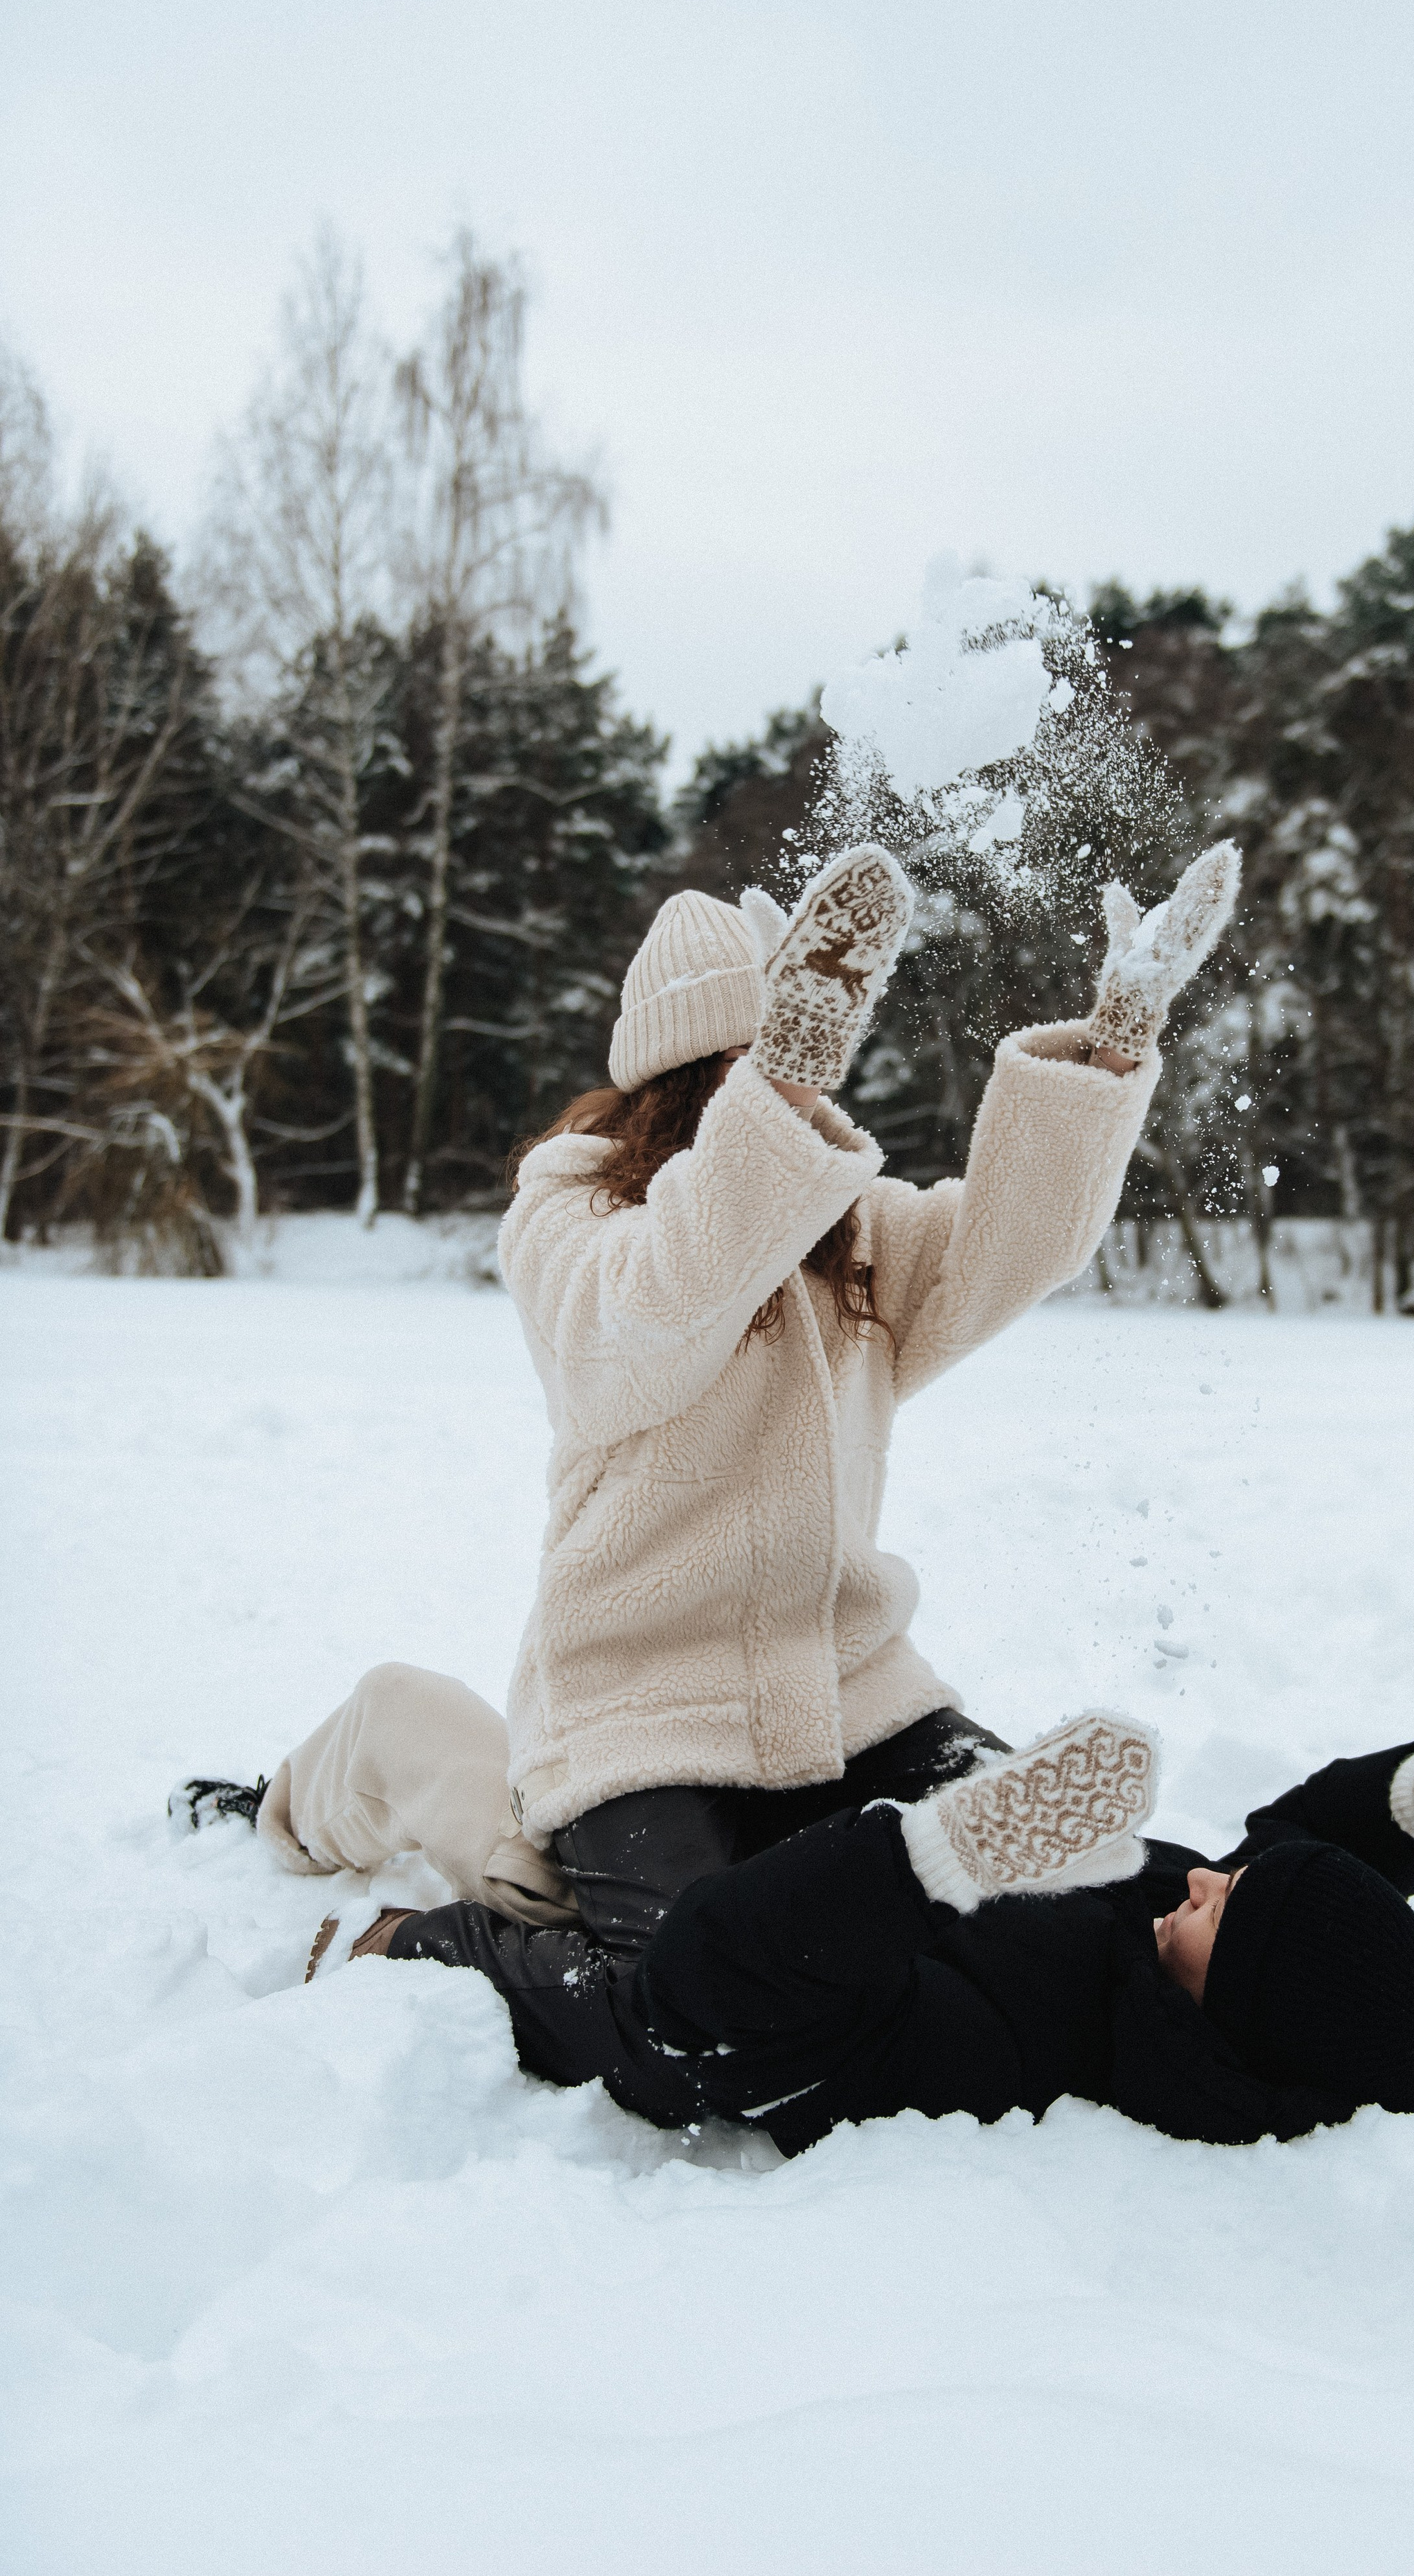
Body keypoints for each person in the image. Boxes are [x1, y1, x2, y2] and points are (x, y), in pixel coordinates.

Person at [177, 834, 1244, 1960]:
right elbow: (657, 1316)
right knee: (688, 1965)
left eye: (794, 1052)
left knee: (1056, 1883)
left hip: (850, 1694)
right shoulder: (570, 1220)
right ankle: (400, 1902)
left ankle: (1243, 1920)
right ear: (676, 1087)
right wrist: (781, 1081)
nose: (781, 1088)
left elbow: (1006, 1244)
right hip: (640, 1715)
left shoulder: (855, 1239)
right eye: (747, 1069)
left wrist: (1112, 1052)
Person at [306, 1692, 1414, 2152]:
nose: (1205, 1879)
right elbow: (1270, 1876)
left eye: (1230, 1910)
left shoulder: (1008, 2057)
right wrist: (1413, 1812)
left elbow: (714, 2012)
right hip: (804, 1832)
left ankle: (311, 1859)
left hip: (674, 1942)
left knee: (409, 1723)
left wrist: (920, 1863)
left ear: (1238, 2013)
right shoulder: (1182, 1945)